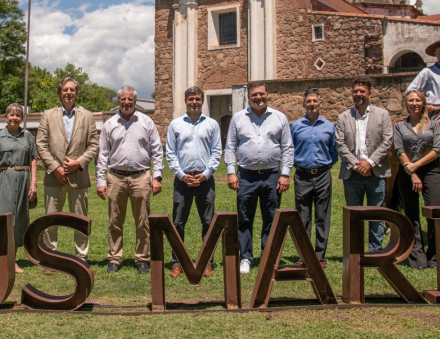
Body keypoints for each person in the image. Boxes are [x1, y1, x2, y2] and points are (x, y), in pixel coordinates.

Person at [225, 81, 293, 274]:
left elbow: (288, 147)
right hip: (246, 176)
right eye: (254, 95)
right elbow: (230, 147)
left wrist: (286, 174)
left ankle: (268, 257)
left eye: (261, 94)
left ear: (267, 95)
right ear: (249, 97)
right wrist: (231, 172)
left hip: (272, 175)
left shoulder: (280, 118)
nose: (258, 98)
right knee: (245, 218)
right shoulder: (238, 118)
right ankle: (245, 257)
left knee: (271, 219)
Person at [96, 86, 163, 274]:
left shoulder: (146, 122)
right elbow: (103, 154)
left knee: (142, 221)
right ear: (119, 101)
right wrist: (101, 181)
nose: (126, 102)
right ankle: (115, 258)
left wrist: (157, 177)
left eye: (130, 99)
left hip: (141, 177)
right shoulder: (110, 124)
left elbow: (157, 151)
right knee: (115, 220)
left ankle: (142, 258)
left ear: (135, 101)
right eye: (123, 99)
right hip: (116, 177)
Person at [36, 77, 99, 271]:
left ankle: (81, 257)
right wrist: (55, 168)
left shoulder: (87, 116)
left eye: (72, 90)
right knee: (51, 219)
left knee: (79, 220)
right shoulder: (48, 115)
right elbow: (41, 143)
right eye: (65, 90)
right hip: (54, 178)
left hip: (78, 177)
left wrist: (78, 163)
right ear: (59, 93)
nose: (69, 93)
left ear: (76, 93)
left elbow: (94, 145)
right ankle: (50, 258)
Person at [165, 86, 222, 278]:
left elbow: (216, 152)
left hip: (205, 180)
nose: (194, 103)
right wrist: (181, 175)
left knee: (208, 222)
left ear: (202, 100)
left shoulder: (212, 124)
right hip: (183, 180)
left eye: (197, 99)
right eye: (191, 99)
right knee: (178, 222)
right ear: (185, 101)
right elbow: (171, 153)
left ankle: (207, 262)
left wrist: (206, 174)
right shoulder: (176, 124)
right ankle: (177, 262)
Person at [335, 75, 393, 253]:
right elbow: (340, 144)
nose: (358, 94)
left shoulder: (382, 115)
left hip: (376, 173)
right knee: (354, 214)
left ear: (370, 93)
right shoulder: (344, 117)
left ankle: (376, 251)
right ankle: (356, 250)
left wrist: (369, 163)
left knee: (376, 214)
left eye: (362, 91)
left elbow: (387, 140)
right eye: (355, 91)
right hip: (352, 174)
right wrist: (357, 165)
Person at [0, 103, 37, 273]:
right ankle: (1, 260)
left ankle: (12, 261)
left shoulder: (27, 136)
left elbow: (33, 160)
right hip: (3, 180)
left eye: (18, 115)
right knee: (2, 219)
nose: (14, 118)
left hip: (23, 181)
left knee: (19, 220)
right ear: (5, 117)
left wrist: (34, 183)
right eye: (11, 115)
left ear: (22, 118)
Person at [393, 90, 440, 269]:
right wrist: (412, 172)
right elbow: (399, 151)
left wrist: (418, 165)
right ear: (406, 104)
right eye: (410, 100)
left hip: (430, 171)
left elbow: (437, 149)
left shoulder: (434, 125)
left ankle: (435, 256)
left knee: (435, 213)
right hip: (407, 172)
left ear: (423, 103)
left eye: (417, 100)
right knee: (412, 215)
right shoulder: (400, 126)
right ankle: (417, 257)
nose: (414, 103)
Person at [289, 88, 338, 268]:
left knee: (322, 215)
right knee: (302, 217)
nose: (312, 104)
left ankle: (320, 255)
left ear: (320, 103)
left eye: (314, 101)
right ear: (304, 104)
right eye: (308, 101)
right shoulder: (295, 127)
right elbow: (289, 149)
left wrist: (323, 166)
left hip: (323, 174)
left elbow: (334, 153)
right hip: (302, 175)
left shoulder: (329, 127)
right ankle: (304, 255)